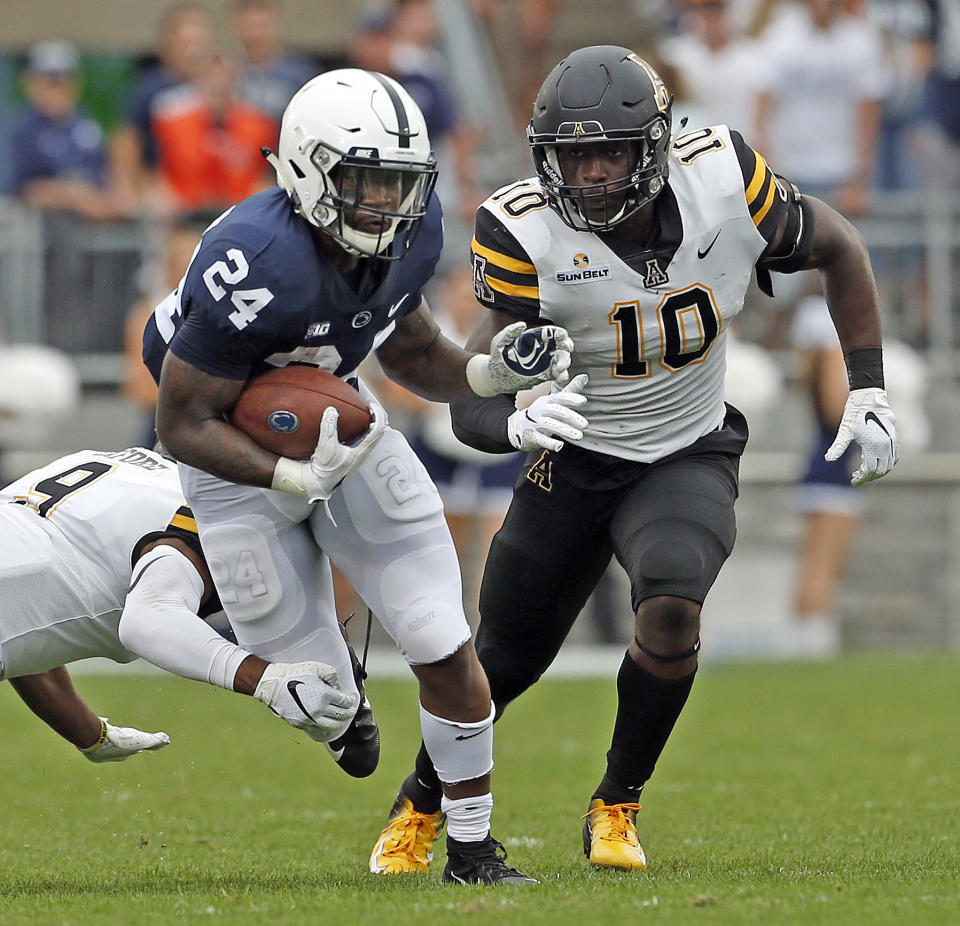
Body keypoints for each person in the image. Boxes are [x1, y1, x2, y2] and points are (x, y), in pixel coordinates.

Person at [369, 44, 901, 874]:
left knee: (671, 605)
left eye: (607, 153)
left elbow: (838, 246)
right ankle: (423, 799)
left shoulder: (724, 177)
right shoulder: (525, 229)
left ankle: (617, 803)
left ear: (652, 148)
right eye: (570, 158)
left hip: (686, 447)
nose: (587, 176)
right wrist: (512, 421)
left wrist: (866, 386)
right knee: (503, 658)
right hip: (575, 458)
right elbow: (468, 388)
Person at [143, 69, 575, 885]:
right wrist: (292, 479)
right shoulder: (259, 256)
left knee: (439, 633)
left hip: (340, 423)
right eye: (365, 181)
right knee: (313, 695)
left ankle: (475, 850)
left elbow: (412, 351)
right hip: (228, 453)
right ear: (308, 169)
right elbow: (181, 424)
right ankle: (345, 707)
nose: (385, 203)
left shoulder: (411, 238)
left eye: (399, 183)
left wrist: (490, 374)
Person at [0, 446, 373, 772]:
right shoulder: (212, 504)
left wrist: (89, 734)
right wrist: (267, 681)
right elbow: (149, 619)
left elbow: (30, 619)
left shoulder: (105, 462)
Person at [9, 39, 128, 221]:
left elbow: (108, 174)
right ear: (30, 83)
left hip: (95, 229)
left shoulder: (87, 124)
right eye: (50, 81)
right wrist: (73, 196)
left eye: (64, 80)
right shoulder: (21, 130)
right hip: (43, 232)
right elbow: (18, 189)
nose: (57, 88)